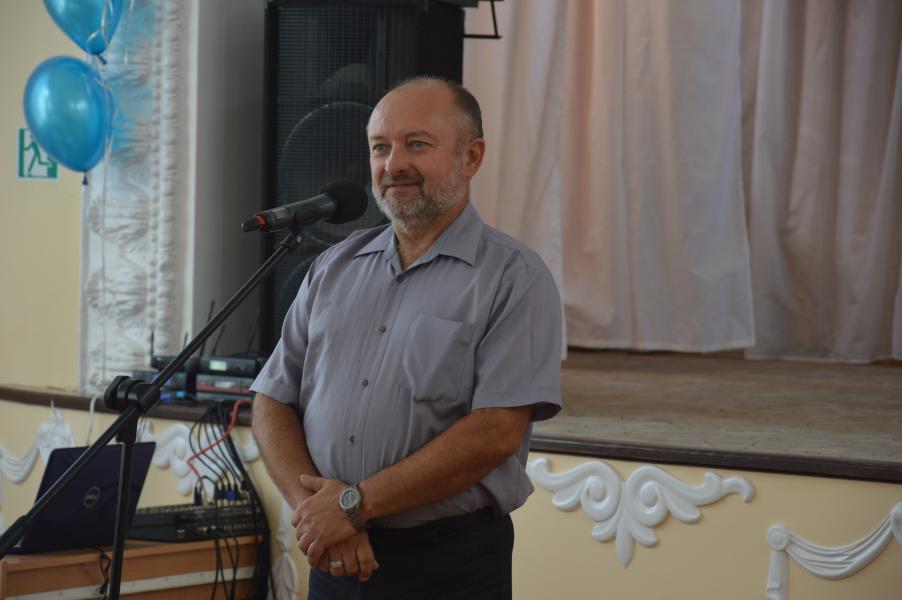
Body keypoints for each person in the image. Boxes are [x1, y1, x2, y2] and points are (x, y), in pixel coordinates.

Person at [250, 76, 562, 600]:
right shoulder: (332, 267)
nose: (393, 164)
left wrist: (352, 506)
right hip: (335, 557)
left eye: (417, 144)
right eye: (380, 147)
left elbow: (495, 432)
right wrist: (320, 516)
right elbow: (271, 400)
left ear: (471, 156)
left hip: (447, 567)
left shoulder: (515, 277)